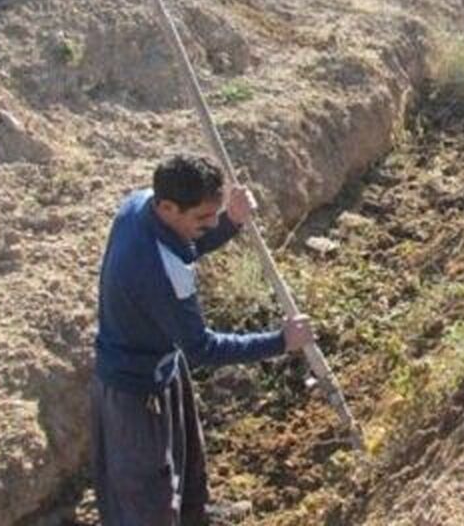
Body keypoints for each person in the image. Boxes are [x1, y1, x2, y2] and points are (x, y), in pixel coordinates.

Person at [91, 153, 315, 524]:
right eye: (203, 218)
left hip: (162, 361)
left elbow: (187, 242)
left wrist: (230, 221)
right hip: (133, 388)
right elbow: (202, 348)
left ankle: (195, 515)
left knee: (187, 458)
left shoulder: (139, 204)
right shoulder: (159, 271)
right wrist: (281, 341)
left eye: (214, 214)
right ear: (168, 207)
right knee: (147, 493)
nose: (210, 223)